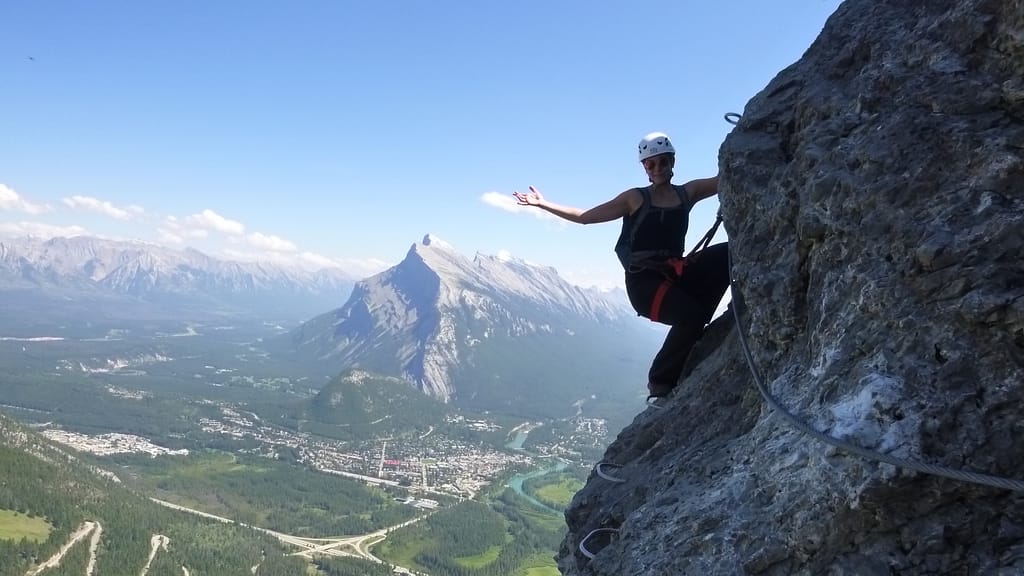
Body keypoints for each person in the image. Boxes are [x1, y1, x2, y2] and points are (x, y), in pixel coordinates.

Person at [513, 132, 730, 400]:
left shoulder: (688, 192)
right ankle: (660, 383)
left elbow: (726, 177)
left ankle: (698, 322)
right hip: (645, 286)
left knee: (728, 254)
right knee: (691, 317)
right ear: (645, 168)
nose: (658, 168)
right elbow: (585, 217)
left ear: (673, 162)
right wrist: (542, 204)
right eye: (651, 164)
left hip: (674, 275)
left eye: (663, 161)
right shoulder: (634, 199)